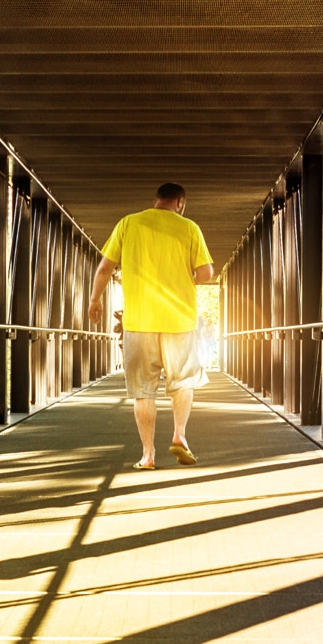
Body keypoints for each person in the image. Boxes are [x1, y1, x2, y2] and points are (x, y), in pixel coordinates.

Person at [88, 182, 215, 469]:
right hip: (179, 321)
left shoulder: (128, 224)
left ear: (155, 201)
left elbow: (104, 268)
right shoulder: (189, 228)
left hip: (139, 321)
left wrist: (95, 301)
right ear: (180, 203)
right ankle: (180, 435)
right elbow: (206, 274)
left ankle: (147, 455)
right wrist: (184, 279)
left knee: (143, 390)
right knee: (182, 381)